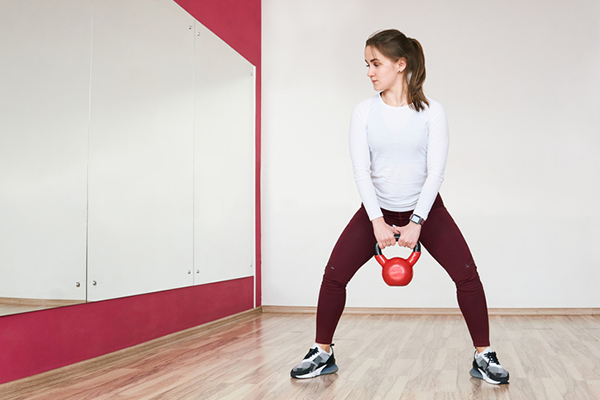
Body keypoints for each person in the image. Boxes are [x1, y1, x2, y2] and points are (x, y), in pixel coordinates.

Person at [290, 29, 510, 385]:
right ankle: (322, 353)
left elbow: (435, 172)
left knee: (467, 276)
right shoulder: (364, 112)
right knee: (334, 277)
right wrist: (376, 221)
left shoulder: (432, 112)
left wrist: (417, 221)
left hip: (425, 211)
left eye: (376, 63)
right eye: (367, 64)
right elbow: (361, 170)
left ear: (401, 64)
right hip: (376, 210)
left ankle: (484, 355)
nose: (369, 71)